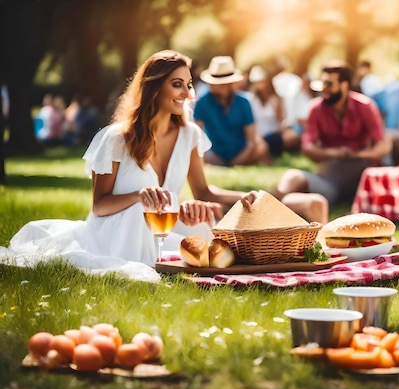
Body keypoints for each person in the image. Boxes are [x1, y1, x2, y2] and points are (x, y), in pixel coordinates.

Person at [0, 50, 264, 282]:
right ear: (154, 88)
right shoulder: (115, 139)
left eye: (188, 84)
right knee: (141, 209)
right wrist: (140, 195)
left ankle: (165, 259)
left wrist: (244, 197)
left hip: (161, 226)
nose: (187, 93)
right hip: (116, 231)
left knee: (199, 223)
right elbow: (100, 206)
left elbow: (204, 192)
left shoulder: (189, 135)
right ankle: (153, 263)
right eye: (177, 84)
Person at [273, 60, 389, 206]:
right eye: (322, 84)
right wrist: (335, 153)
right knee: (292, 177)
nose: (324, 90)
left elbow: (382, 146)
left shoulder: (365, 106)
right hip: (331, 178)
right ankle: (268, 207)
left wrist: (357, 155)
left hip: (362, 175)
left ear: (344, 84)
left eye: (329, 85)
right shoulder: (315, 108)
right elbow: (307, 147)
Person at [193, 56, 271, 166]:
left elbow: (251, 141)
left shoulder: (244, 102)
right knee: (201, 152)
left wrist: (237, 161)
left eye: (227, 82)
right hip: (214, 154)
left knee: (262, 146)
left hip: (242, 152)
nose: (224, 86)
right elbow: (196, 135)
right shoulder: (202, 102)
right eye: (220, 83)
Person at [248, 65, 297, 156]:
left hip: (274, 135)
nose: (260, 85)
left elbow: (281, 119)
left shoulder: (276, 99)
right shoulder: (251, 99)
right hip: (257, 136)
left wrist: (287, 130)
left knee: (292, 137)